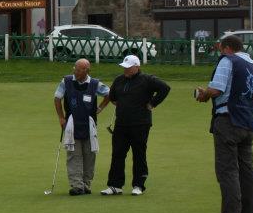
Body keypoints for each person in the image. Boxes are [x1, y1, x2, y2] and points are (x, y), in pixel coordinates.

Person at [194, 35, 253, 213]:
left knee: (227, 172)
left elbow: (216, 90)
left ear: (227, 48)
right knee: (247, 173)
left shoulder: (228, 61)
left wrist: (204, 94)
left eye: (220, 49)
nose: (220, 52)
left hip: (228, 120)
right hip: (248, 123)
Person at [100, 55, 170, 195]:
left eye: (128, 67)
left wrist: (152, 103)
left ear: (136, 67)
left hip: (140, 124)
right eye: (124, 67)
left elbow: (165, 88)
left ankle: (138, 185)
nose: (125, 70)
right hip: (121, 124)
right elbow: (113, 98)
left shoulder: (147, 80)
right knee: (118, 154)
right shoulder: (119, 80)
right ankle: (115, 185)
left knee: (139, 154)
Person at [54, 58, 111, 195]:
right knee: (74, 154)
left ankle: (86, 184)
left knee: (89, 154)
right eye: (75, 68)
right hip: (72, 124)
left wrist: (101, 107)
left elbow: (109, 94)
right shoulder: (66, 81)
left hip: (89, 124)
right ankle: (77, 186)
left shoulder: (95, 83)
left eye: (79, 70)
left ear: (87, 71)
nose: (76, 71)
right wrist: (61, 117)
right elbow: (57, 98)